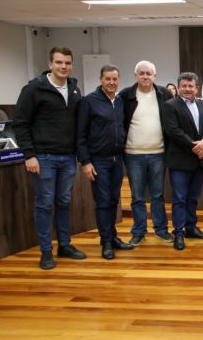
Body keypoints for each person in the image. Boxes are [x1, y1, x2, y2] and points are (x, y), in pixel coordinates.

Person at [13, 46, 87, 269]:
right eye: (59, 62)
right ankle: (46, 251)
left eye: (67, 63)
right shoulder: (34, 89)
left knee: (64, 202)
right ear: (50, 64)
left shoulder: (74, 89)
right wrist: (29, 155)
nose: (63, 66)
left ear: (71, 65)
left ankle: (64, 244)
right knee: (44, 204)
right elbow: (21, 123)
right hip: (43, 157)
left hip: (67, 157)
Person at [76, 64, 135, 259]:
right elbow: (80, 135)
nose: (111, 82)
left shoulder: (119, 101)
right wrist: (85, 162)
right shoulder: (89, 102)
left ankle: (112, 237)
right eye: (108, 79)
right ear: (101, 79)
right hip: (98, 161)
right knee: (102, 202)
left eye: (115, 79)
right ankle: (106, 242)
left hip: (117, 159)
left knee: (113, 200)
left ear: (119, 80)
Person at [119, 61, 174, 245]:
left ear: (155, 76)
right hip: (133, 154)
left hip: (158, 153)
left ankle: (161, 230)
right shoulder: (126, 95)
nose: (145, 77)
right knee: (137, 196)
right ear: (135, 75)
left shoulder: (163, 93)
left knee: (158, 195)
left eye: (148, 73)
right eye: (141, 73)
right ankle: (139, 231)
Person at [162, 72, 203, 250]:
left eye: (190, 86)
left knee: (193, 197)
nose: (187, 89)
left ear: (196, 88)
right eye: (183, 86)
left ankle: (191, 227)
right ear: (178, 87)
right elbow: (173, 131)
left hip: (198, 161)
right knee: (179, 199)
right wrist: (196, 147)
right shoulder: (170, 105)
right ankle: (179, 232)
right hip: (180, 160)